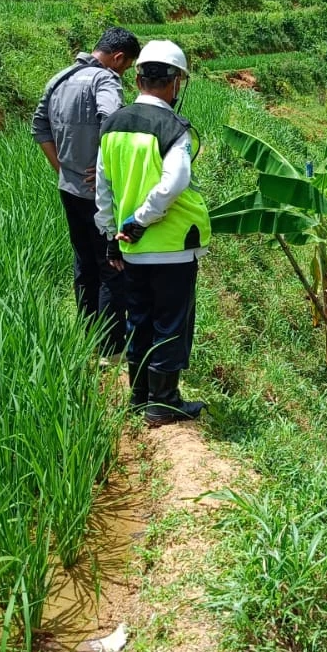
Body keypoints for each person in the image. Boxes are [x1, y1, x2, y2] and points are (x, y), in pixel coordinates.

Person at [95, 40, 210, 427]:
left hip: (130, 248)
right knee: (170, 323)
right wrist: (142, 220)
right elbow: (174, 182)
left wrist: (113, 233)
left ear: (140, 77)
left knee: (138, 319)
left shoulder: (112, 125)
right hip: (170, 246)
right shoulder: (173, 127)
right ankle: (163, 403)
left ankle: (139, 395)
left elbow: (104, 189)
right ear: (175, 82)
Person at [33, 27, 140, 356]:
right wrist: (105, 171)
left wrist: (62, 168)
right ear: (118, 58)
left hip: (68, 188)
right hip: (98, 195)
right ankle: (110, 347)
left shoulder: (60, 78)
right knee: (111, 267)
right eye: (126, 67)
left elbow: (39, 126)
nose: (123, 73)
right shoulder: (104, 80)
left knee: (84, 263)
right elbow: (112, 121)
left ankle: (89, 335)